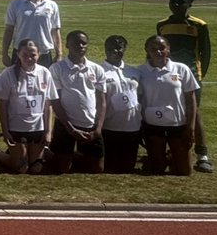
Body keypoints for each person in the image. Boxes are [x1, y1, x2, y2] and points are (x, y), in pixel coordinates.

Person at [156, 0, 213, 173]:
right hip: (168, 75)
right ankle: (167, 149)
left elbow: (206, 53)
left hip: (192, 75)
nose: (176, 5)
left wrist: (199, 75)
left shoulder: (199, 25)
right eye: (173, 2)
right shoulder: (162, 24)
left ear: (190, 4)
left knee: (194, 112)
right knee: (168, 109)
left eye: (181, 2)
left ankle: (202, 155)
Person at [138, 34, 199, 176]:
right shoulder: (140, 71)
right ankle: (158, 157)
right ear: (147, 50)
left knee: (184, 172)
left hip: (178, 125)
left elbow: (191, 100)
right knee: (157, 170)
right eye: (153, 49)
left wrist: (190, 127)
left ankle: (172, 156)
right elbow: (139, 101)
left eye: (162, 48)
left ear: (168, 49)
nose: (158, 52)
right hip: (152, 126)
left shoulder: (182, 69)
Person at [49, 30, 107, 174]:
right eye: (76, 43)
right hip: (66, 124)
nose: (80, 46)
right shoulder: (57, 68)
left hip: (90, 124)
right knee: (62, 168)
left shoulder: (97, 69)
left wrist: (98, 129)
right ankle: (56, 153)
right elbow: (55, 101)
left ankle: (76, 154)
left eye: (84, 43)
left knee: (97, 169)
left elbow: (102, 101)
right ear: (67, 44)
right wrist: (70, 129)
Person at [0, 40, 56, 174]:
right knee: (21, 168)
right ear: (18, 54)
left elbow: (48, 105)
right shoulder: (8, 74)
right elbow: (3, 105)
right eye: (25, 55)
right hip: (16, 127)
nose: (29, 58)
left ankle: (34, 152)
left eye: (33, 55)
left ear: (39, 54)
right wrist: (5, 132)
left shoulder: (45, 73)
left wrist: (48, 132)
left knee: (36, 169)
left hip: (37, 128)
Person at [1, 0, 61, 68]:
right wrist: (4, 53)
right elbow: (9, 30)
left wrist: (59, 54)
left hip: (43, 52)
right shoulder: (15, 5)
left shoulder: (52, 5)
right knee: (18, 82)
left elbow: (55, 31)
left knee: (43, 82)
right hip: (21, 52)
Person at [99, 35, 141, 174]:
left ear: (125, 49)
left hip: (132, 127)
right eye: (111, 48)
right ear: (105, 50)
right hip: (110, 127)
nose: (115, 51)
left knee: (128, 168)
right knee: (111, 167)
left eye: (119, 48)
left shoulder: (133, 71)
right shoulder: (100, 71)